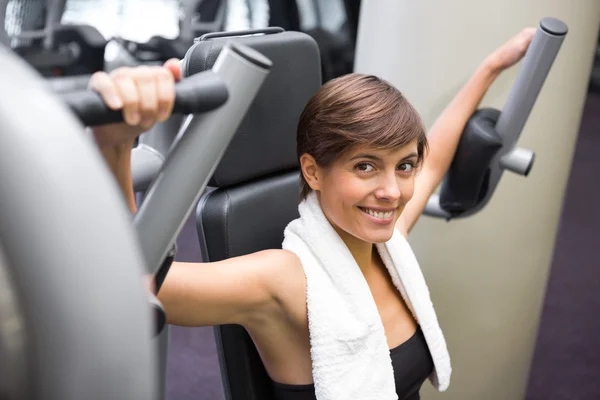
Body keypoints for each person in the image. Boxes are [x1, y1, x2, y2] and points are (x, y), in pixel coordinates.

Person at [89, 27, 535, 399]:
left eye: (403, 167)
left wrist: (493, 66)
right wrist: (114, 144)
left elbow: (433, 158)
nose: (391, 191)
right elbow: (126, 283)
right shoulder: (283, 281)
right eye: (365, 166)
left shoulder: (385, 241)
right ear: (313, 172)